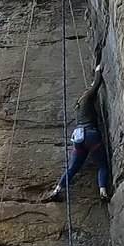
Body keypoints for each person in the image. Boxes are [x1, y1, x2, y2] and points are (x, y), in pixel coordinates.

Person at [45, 63, 110, 202]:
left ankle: (57, 190)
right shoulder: (87, 97)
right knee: (102, 165)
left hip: (78, 138)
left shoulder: (78, 105)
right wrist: (98, 70)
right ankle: (103, 191)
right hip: (91, 135)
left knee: (72, 168)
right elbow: (96, 84)